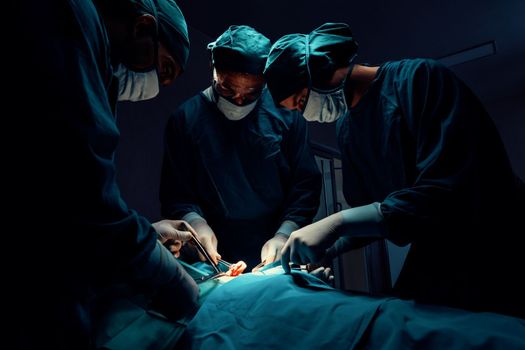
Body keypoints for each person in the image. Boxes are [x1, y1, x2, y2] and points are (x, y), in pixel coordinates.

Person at [263, 23, 525, 317]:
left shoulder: (420, 80)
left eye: (300, 102)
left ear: (321, 72)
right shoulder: (347, 128)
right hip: (435, 245)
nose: (305, 114)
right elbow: (377, 212)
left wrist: (338, 223)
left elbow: (448, 191)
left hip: (496, 236)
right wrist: (333, 244)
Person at [9, 1, 200, 348]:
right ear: (142, 27)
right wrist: (160, 269)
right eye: (164, 69)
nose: (159, 86)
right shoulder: (66, 17)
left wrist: (146, 234)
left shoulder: (87, 48)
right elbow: (80, 189)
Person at [159, 25, 322, 269]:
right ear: (213, 70)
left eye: (251, 93)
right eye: (227, 88)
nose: (238, 100)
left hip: (275, 248)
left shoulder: (287, 114)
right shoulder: (186, 120)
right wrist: (196, 224)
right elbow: (177, 192)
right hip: (209, 255)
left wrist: (285, 232)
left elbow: (304, 185)